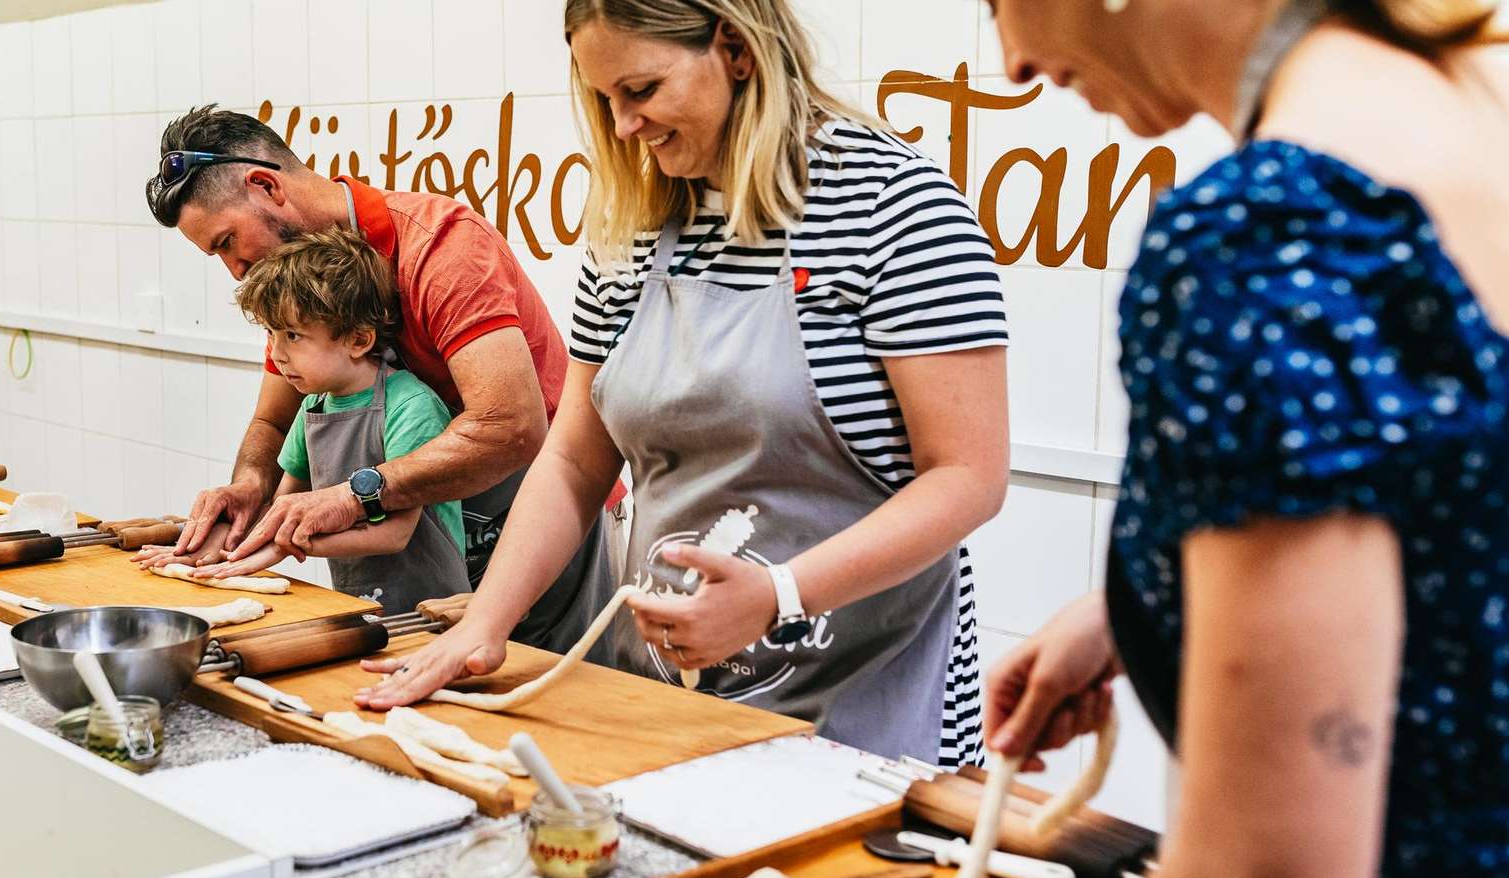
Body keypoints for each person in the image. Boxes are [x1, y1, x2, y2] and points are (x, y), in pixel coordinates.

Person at [842, 1, 1509, 878]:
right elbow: (1452, 519)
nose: (1009, 59)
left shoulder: (1262, 232)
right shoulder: (1472, 109)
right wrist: (1140, 600)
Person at [357, 0, 1011, 769]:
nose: (625, 124)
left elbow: (967, 478)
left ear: (734, 48)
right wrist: (485, 625)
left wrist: (776, 598)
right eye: (606, 100)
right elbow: (573, 461)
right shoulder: (632, 233)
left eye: (642, 89)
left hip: (867, 698)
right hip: (673, 689)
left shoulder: (893, 209)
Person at [146, 105, 612, 652]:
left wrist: (356, 496)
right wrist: (249, 488)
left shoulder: (443, 247)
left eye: (227, 241)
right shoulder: (297, 280)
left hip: (535, 520)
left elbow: (508, 427)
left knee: (550, 703)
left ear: (266, 186)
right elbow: (274, 421)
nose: (234, 269)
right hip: (421, 543)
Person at [161, 228, 470, 610]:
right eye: (272, 334)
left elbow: (394, 534)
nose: (277, 352)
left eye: (293, 335)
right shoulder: (314, 407)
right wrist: (216, 548)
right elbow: (281, 507)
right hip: (360, 604)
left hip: (431, 609)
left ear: (359, 340)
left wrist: (284, 545)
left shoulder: (411, 406)